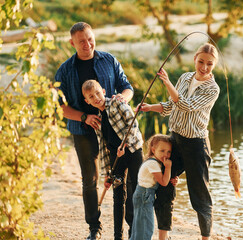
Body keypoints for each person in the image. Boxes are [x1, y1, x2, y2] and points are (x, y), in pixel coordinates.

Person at [55, 22, 134, 240]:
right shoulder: (64, 70)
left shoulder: (109, 60)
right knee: (90, 180)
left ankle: (129, 227)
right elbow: (59, 106)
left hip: (114, 129)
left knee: (122, 178)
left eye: (90, 39)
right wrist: (84, 117)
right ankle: (94, 228)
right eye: (82, 41)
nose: (88, 44)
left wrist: (122, 98)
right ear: (72, 43)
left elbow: (128, 88)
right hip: (83, 130)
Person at [138, 43, 220, 240]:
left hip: (196, 146)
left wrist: (167, 82)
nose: (204, 67)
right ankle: (163, 237)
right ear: (194, 59)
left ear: (214, 65)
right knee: (165, 187)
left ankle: (205, 237)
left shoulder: (213, 89)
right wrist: (151, 108)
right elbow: (170, 106)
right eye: (201, 61)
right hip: (175, 141)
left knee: (199, 196)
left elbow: (185, 105)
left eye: (209, 64)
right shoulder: (184, 77)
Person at [82, 79, 143, 239]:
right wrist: (108, 173)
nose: (96, 98)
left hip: (133, 150)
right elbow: (104, 147)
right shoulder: (98, 118)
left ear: (103, 91)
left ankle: (134, 232)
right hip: (117, 157)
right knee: (118, 196)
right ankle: (118, 236)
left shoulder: (116, 103)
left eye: (97, 93)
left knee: (135, 192)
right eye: (91, 96)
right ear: (87, 101)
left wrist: (124, 144)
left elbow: (133, 124)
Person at [130, 134, 173, 240]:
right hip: (144, 195)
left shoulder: (154, 162)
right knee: (145, 227)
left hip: (143, 195)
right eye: (162, 151)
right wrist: (168, 167)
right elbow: (163, 182)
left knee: (140, 226)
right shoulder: (152, 164)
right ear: (153, 150)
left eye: (169, 152)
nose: (166, 155)